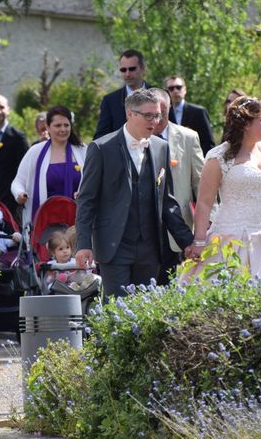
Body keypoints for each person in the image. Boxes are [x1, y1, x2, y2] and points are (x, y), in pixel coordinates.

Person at [75, 89, 194, 297]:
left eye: (157, 115)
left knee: (144, 313)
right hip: (114, 246)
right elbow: (87, 201)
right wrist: (83, 244)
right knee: (116, 312)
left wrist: (188, 242)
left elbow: (167, 202)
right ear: (130, 113)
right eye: (148, 115)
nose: (154, 121)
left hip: (150, 248)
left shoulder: (161, 148)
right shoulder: (101, 148)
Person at [186, 96, 261, 279]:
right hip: (231, 236)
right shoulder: (218, 157)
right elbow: (205, 203)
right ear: (246, 124)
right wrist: (199, 241)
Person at [150, 88, 206, 282]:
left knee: (174, 283)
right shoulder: (135, 138)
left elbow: (201, 183)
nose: (156, 119)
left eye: (162, 114)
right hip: (143, 230)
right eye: (152, 114)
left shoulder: (188, 137)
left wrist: (210, 221)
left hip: (178, 227)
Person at [11, 105, 87, 227]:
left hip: (78, 221)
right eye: (58, 125)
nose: (63, 129)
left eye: (66, 125)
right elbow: (18, 181)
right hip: (46, 222)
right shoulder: (35, 152)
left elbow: (95, 181)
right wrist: (20, 194)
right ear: (48, 127)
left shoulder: (83, 150)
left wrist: (85, 192)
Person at [94, 49, 153, 139]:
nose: (127, 74)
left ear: (142, 68)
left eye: (132, 69)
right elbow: (101, 136)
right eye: (123, 70)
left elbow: (171, 131)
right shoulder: (110, 101)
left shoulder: (159, 95)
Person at [164, 75, 215, 156]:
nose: (175, 91)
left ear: (185, 89)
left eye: (179, 87)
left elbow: (208, 143)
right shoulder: (163, 114)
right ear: (166, 92)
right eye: (171, 88)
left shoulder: (199, 112)